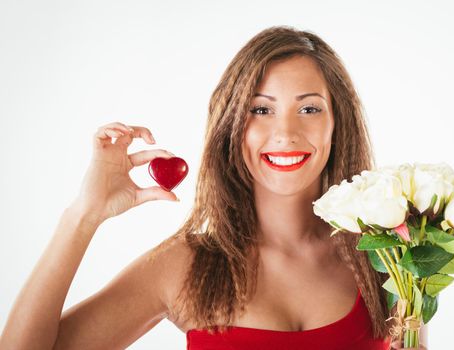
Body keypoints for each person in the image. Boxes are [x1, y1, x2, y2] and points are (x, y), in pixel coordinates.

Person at [0, 26, 427, 349]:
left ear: (338, 124)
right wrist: (83, 214)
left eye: (309, 108)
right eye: (261, 109)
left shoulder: (388, 258)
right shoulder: (184, 265)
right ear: (231, 127)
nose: (285, 132)